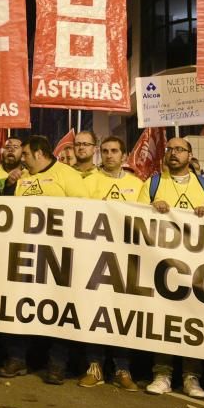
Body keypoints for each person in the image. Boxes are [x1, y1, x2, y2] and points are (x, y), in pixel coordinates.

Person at [0, 135, 87, 384]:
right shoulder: (23, 178)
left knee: (59, 309)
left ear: (39, 153)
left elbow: (85, 211)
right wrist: (9, 185)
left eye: (25, 154)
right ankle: (17, 358)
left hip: (59, 255)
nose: (21, 158)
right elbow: (8, 212)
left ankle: (57, 364)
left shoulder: (67, 175)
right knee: (20, 306)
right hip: (26, 253)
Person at [138, 137, 204, 398]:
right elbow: (134, 216)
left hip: (196, 266)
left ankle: (191, 376)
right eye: (170, 149)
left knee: (192, 321)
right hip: (162, 264)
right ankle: (162, 373)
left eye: (180, 149)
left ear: (190, 155)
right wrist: (150, 207)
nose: (173, 153)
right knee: (164, 320)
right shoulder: (154, 183)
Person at [79, 136, 145, 391]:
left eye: (114, 151)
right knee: (95, 314)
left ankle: (122, 368)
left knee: (121, 314)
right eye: (104, 151)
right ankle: (94, 366)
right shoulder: (87, 182)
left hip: (125, 259)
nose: (109, 155)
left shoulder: (137, 184)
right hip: (94, 258)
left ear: (124, 155)